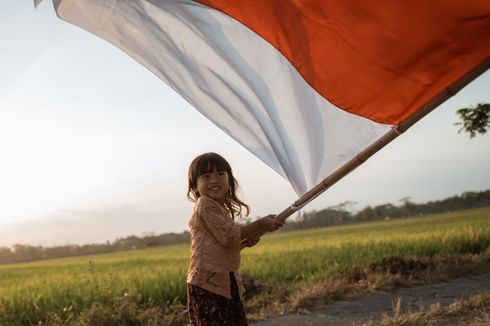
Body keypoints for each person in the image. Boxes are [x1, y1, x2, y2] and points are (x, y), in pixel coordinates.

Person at [186, 152, 283, 325]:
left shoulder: (218, 209)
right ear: (195, 187)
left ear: (229, 180)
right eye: (206, 176)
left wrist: (244, 243)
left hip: (225, 280)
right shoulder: (205, 204)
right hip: (208, 283)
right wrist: (260, 225)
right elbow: (229, 237)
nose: (215, 179)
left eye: (221, 174)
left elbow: (223, 247)